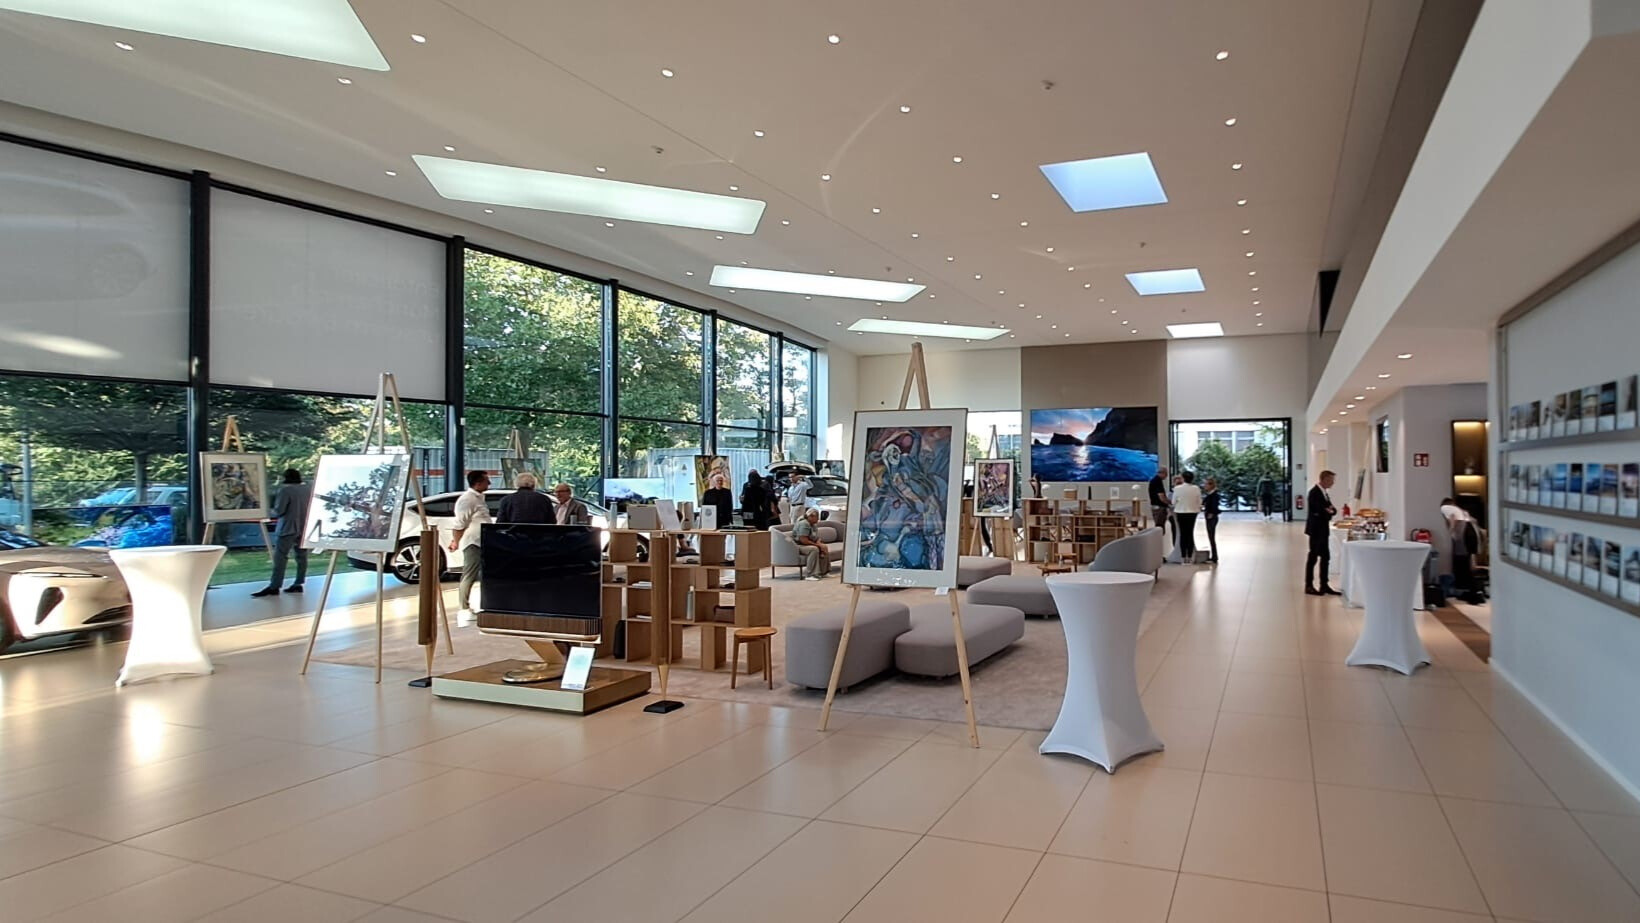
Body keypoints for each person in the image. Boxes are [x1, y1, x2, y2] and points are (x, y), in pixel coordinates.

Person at [253, 468, 311, 597]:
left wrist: (264, 511)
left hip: (288, 528)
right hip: (304, 527)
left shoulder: (285, 490)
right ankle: (298, 583)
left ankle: (275, 586)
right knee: (302, 557)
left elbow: (279, 511)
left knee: (280, 557)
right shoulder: (307, 490)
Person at [450, 470, 492, 615]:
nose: (489, 483)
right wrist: (456, 541)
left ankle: (483, 604)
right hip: (473, 543)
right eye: (486, 481)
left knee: (480, 575)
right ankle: (464, 608)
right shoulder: (467, 500)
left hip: (482, 541)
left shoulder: (478, 498)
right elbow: (460, 524)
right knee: (469, 574)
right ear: (478, 483)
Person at [1305, 470, 1340, 596]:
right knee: (1313, 556)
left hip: (1323, 529)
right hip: (1316, 530)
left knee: (1326, 557)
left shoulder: (1324, 493)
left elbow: (1333, 509)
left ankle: (1324, 585)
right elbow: (1319, 510)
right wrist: (1327, 511)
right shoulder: (1314, 493)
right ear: (1324, 479)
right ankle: (1309, 585)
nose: (1332, 483)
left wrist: (1329, 511)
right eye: (1331, 480)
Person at [1440, 497, 1478, 593]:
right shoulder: (1463, 511)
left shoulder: (1445, 508)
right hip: (1471, 534)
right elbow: (1474, 521)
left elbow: (1453, 520)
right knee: (1467, 559)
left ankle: (1462, 585)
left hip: (1463, 535)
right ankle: (1469, 585)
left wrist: (1450, 532)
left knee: (1460, 559)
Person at [792, 508, 831, 580]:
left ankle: (823, 572)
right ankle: (810, 574)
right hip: (799, 545)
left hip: (808, 543)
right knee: (813, 549)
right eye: (817, 517)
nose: (818, 519)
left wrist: (819, 543)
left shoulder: (813, 524)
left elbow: (816, 537)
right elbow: (803, 540)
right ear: (810, 516)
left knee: (824, 547)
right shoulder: (804, 524)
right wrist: (817, 545)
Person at [1173, 471, 1202, 563]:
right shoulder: (1196, 488)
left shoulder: (1177, 488)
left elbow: (1173, 502)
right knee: (1190, 533)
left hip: (1180, 512)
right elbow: (1199, 501)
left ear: (1183, 478)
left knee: (1183, 534)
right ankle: (1189, 556)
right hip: (1193, 512)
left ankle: (1183, 557)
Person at [1203, 476, 1222, 564]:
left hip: (1211, 517)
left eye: (1206, 484)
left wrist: (1212, 513)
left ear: (1210, 485)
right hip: (1210, 516)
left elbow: (1214, 506)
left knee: (1211, 536)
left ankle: (1214, 556)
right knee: (1211, 536)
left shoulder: (1214, 495)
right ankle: (1214, 555)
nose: (1204, 486)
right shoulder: (1211, 495)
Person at [1148, 466, 1171, 531]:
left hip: (1156, 506)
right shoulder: (1157, 481)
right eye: (1166, 474)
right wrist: (1170, 502)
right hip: (1159, 507)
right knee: (1160, 526)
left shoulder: (1155, 480)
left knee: (1159, 525)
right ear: (1162, 473)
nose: (1167, 476)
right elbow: (1161, 497)